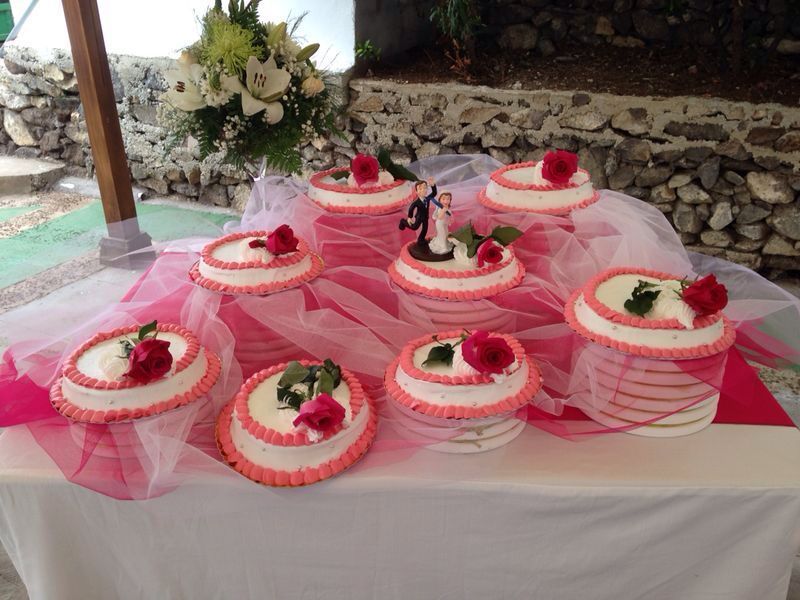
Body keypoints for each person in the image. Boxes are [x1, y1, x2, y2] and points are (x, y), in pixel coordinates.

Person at [399, 178, 440, 248]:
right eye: (420, 189)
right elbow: (411, 208)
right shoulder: (416, 202)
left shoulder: (427, 199)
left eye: (425, 188)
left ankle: (421, 239)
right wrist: (409, 217)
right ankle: (403, 222)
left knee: (425, 229)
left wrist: (433, 185)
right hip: (419, 217)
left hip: (426, 217)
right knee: (415, 227)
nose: (423, 190)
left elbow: (434, 193)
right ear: (417, 191)